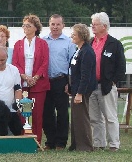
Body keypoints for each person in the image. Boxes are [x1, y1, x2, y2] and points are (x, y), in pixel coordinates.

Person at [89, 12, 126, 152]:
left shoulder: (114, 44)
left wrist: (113, 82)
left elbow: (121, 67)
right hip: (91, 85)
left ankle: (114, 145)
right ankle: (98, 143)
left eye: (95, 24)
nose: (92, 26)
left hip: (107, 86)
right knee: (95, 118)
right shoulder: (90, 42)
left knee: (110, 116)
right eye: (92, 23)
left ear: (104, 26)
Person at [12, 14, 50, 145]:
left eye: (29, 26)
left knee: (37, 114)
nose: (25, 28)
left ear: (36, 28)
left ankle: (37, 141)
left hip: (38, 84)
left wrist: (35, 77)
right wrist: (24, 76)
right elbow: (15, 63)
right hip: (23, 83)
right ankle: (24, 140)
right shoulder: (18, 44)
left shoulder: (42, 43)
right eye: (24, 25)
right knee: (22, 113)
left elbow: (45, 62)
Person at [42, 14, 75, 150]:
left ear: (63, 25)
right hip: (45, 81)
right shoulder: (43, 41)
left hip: (61, 81)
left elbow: (72, 64)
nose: (55, 27)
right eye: (53, 24)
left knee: (62, 113)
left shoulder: (69, 42)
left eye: (58, 24)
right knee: (47, 112)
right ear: (49, 25)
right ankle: (50, 141)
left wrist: (70, 82)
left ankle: (61, 142)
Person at [67, 24, 97, 152]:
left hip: (82, 90)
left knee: (82, 117)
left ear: (81, 35)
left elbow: (86, 75)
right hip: (75, 89)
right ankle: (76, 144)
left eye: (74, 34)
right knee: (76, 118)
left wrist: (80, 93)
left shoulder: (87, 51)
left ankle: (85, 146)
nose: (71, 36)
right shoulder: (78, 50)